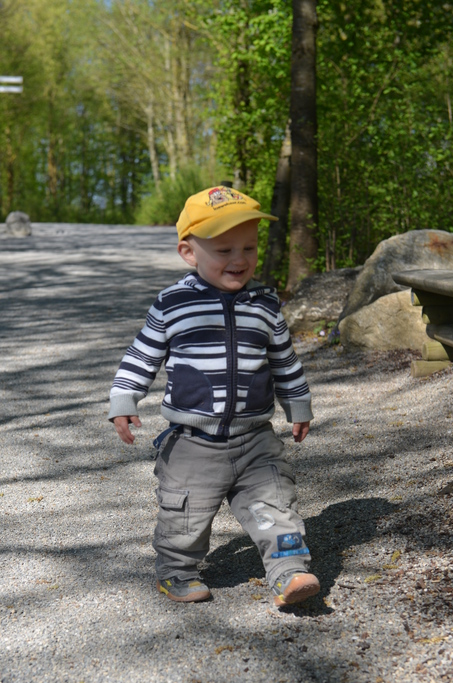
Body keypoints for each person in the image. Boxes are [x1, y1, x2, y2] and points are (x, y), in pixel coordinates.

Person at [109, 186, 320, 608]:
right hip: (193, 444)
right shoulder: (173, 303)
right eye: (224, 250)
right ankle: (176, 571)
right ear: (189, 253)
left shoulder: (264, 304)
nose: (239, 259)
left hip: (255, 439)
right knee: (184, 518)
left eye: (249, 248)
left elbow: (284, 360)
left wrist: (298, 405)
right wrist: (124, 399)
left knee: (276, 505)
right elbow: (142, 355)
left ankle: (290, 571)